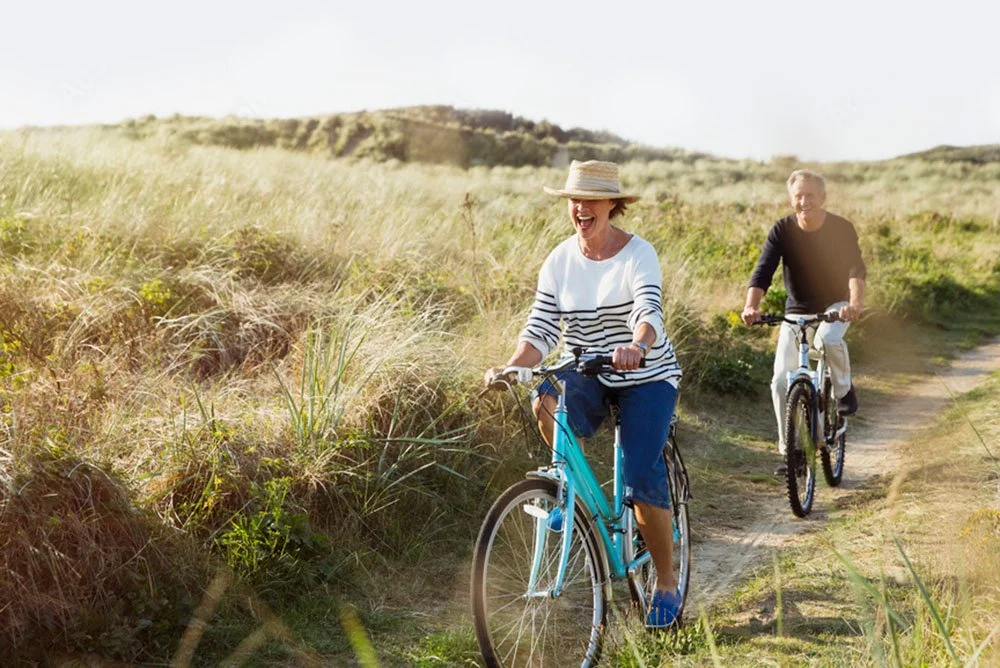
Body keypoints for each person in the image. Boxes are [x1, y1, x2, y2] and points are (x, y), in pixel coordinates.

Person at [485, 160, 684, 628]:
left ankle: (667, 582)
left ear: (612, 204)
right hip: (588, 370)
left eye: (591, 200)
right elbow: (540, 329)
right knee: (544, 398)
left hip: (645, 374)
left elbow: (648, 308)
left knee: (638, 473)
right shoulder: (559, 260)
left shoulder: (638, 254)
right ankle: (569, 495)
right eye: (574, 200)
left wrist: (637, 344)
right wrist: (514, 365)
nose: (580, 209)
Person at [741, 169, 867, 475]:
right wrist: (750, 306)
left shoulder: (840, 228)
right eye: (798, 195)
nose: (804, 201)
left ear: (823, 197)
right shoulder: (782, 230)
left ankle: (843, 391)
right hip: (796, 311)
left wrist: (854, 304)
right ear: (791, 198)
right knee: (781, 381)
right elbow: (763, 271)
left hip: (835, 306)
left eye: (810, 195)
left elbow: (855, 269)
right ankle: (791, 454)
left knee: (828, 340)